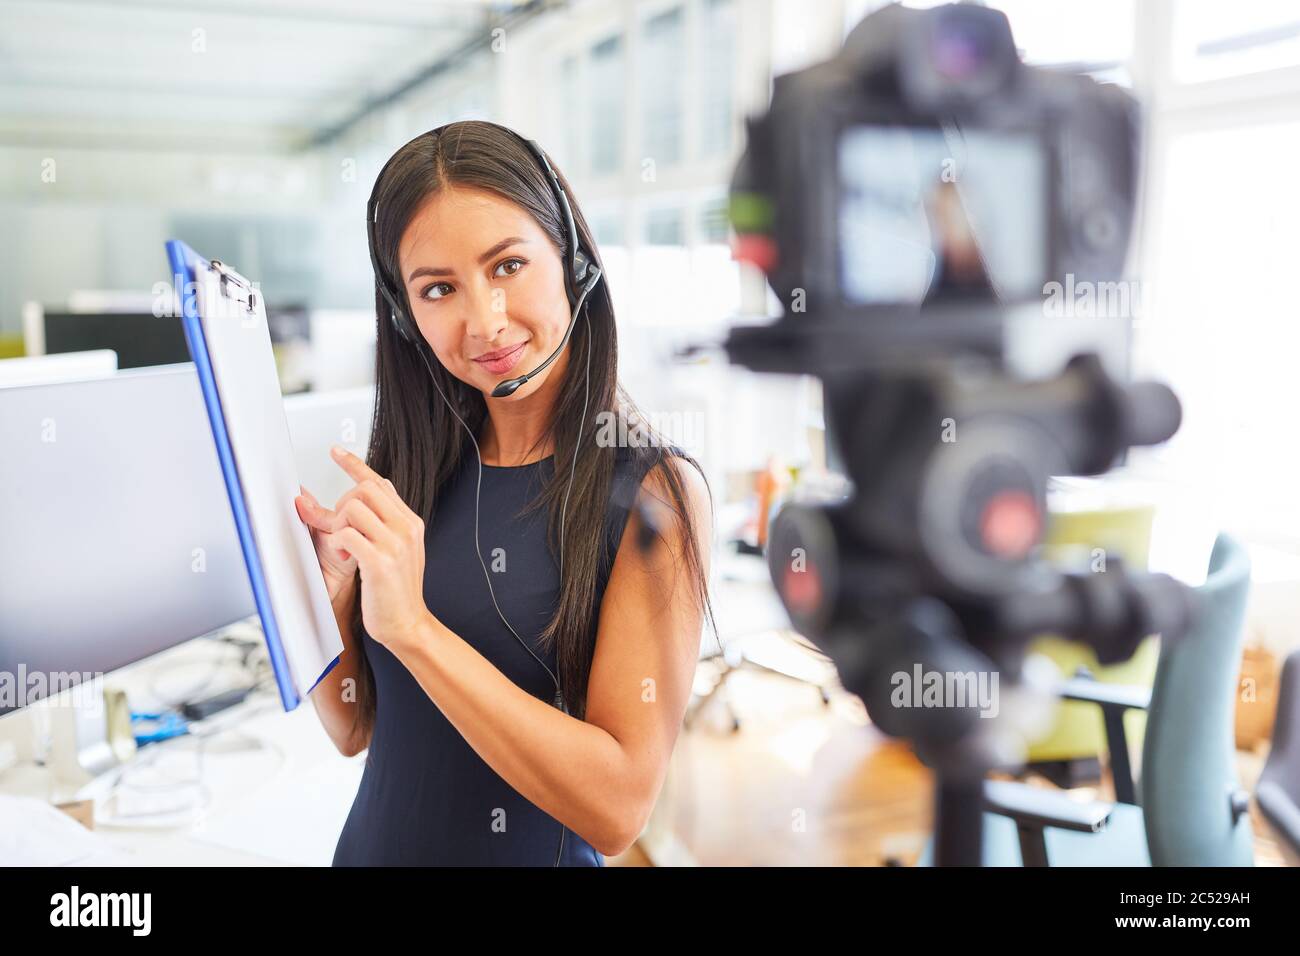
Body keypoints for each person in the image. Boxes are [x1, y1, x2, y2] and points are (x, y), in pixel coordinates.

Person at [295, 120, 715, 865]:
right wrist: (332, 603)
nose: (484, 321)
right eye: (438, 289)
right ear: (404, 314)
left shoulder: (652, 493)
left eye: (508, 265)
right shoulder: (412, 468)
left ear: (571, 259)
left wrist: (415, 632)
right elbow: (355, 731)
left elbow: (617, 810)